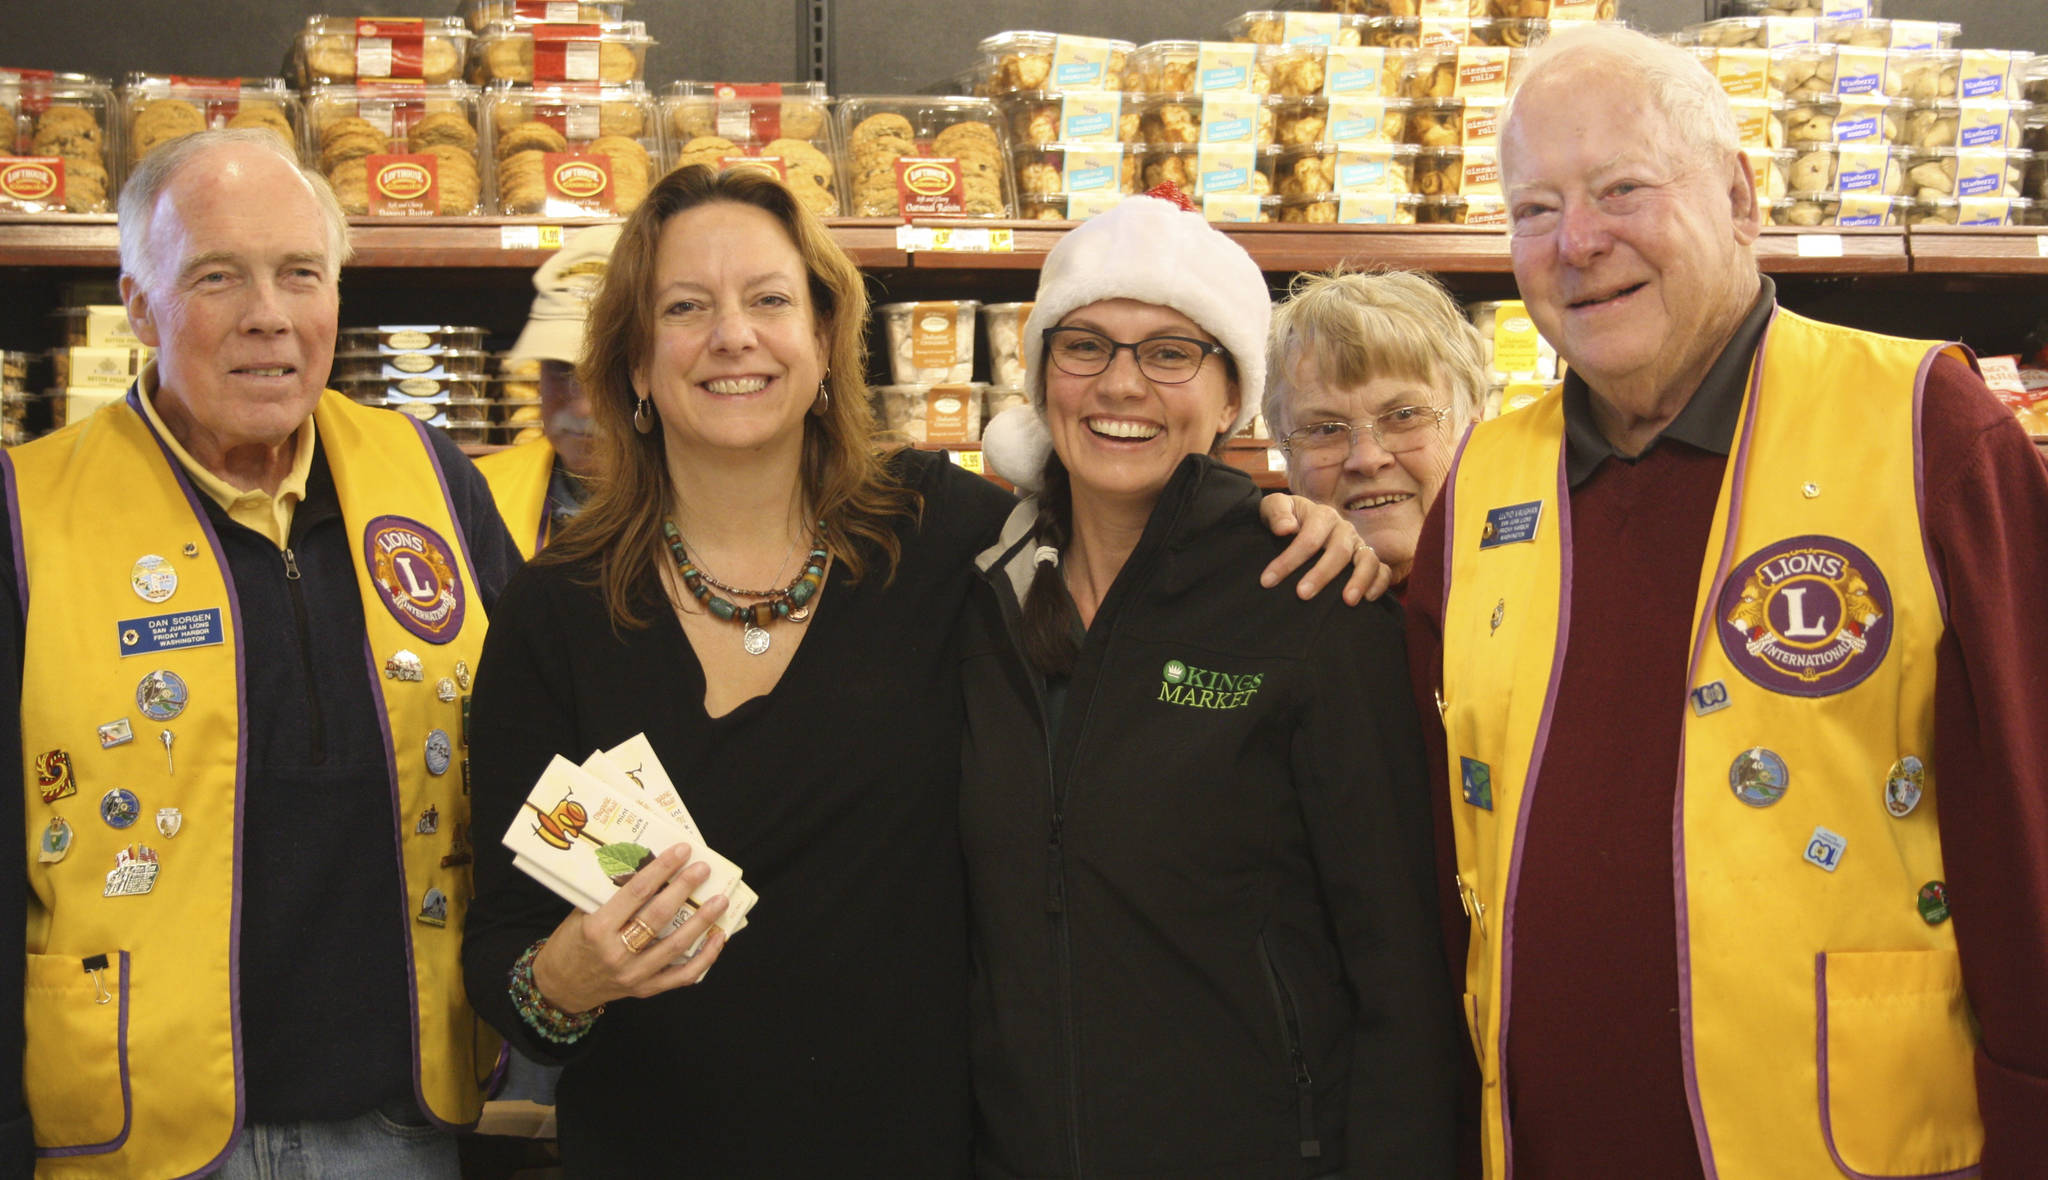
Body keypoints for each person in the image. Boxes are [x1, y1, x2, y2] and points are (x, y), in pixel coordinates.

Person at [459, 167, 1383, 1177]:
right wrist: (565, 978)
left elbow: (1137, 536)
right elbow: (504, 963)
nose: (733, 336)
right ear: (634, 359)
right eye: (685, 307)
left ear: (823, 342)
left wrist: (1292, 522)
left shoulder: (947, 539)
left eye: (770, 300)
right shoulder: (555, 611)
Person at [1406, 24, 2048, 1179]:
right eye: (1533, 208)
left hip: (1858, 1149)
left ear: (1741, 197)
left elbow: (2025, 816)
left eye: (1620, 189)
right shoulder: (1481, 479)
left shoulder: (1925, 429)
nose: (1576, 243)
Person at [0, 129, 521, 1177]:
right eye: (216, 277)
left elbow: (530, 743)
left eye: (300, 274)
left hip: (404, 1120)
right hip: (133, 1131)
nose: (268, 316)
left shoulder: (429, 478)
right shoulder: (26, 513)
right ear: (139, 306)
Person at [964, 192, 1459, 1178]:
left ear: (1231, 395)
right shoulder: (980, 584)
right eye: (1085, 346)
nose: (1121, 384)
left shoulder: (1309, 596)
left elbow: (1397, 974)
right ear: (1038, 375)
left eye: (1169, 351)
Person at [1266, 269, 1488, 591]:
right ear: (1285, 452)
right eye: (1326, 429)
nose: (1367, 459)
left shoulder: (1543, 580)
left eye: (1404, 415)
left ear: (1472, 426)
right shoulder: (1263, 596)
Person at [477, 224, 618, 559]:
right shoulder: (479, 496)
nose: (583, 407)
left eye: (608, 374)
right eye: (561, 368)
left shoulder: (727, 504)